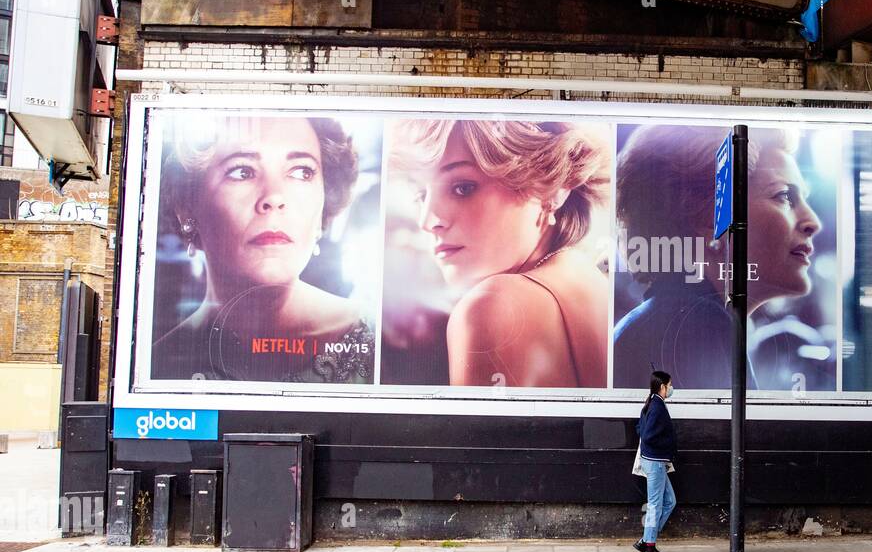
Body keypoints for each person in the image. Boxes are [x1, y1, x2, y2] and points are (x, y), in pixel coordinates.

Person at [385, 118, 611, 388]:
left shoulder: (490, 305)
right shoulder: (583, 276)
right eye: (421, 195)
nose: (428, 220)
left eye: (462, 188)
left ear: (551, 189)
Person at [152, 115, 374, 383]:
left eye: (302, 171)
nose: (274, 198)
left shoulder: (379, 341)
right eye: (242, 172)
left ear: (324, 204)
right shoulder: (160, 364)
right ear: (187, 208)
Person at [613, 124, 822, 389]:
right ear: (710, 216)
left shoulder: (673, 318)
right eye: (783, 196)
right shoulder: (698, 327)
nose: (812, 221)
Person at [633, 370, 677, 552]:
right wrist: (668, 444)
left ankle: (646, 540)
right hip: (656, 462)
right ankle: (649, 550)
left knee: (669, 501)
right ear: (663, 387)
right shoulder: (657, 407)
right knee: (655, 506)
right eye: (670, 385)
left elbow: (639, 428)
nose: (672, 388)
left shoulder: (651, 402)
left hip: (654, 461)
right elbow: (648, 435)